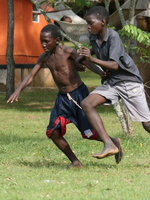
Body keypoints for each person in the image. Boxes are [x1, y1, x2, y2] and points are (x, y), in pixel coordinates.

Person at [7, 24, 123, 169]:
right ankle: (75, 162)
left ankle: (113, 142)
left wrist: (100, 73)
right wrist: (18, 90)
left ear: (56, 40)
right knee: (53, 132)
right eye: (41, 41)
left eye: (46, 41)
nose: (43, 45)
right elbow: (31, 76)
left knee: (89, 134)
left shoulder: (68, 52)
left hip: (79, 96)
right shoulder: (44, 57)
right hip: (62, 99)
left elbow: (86, 63)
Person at [77, 6, 150, 159]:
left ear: (102, 22)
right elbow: (88, 56)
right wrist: (79, 59)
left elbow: (115, 65)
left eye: (91, 23)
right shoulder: (93, 38)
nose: (88, 27)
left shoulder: (113, 36)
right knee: (87, 104)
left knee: (147, 124)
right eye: (87, 23)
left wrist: (91, 59)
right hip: (112, 83)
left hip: (129, 82)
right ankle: (110, 144)